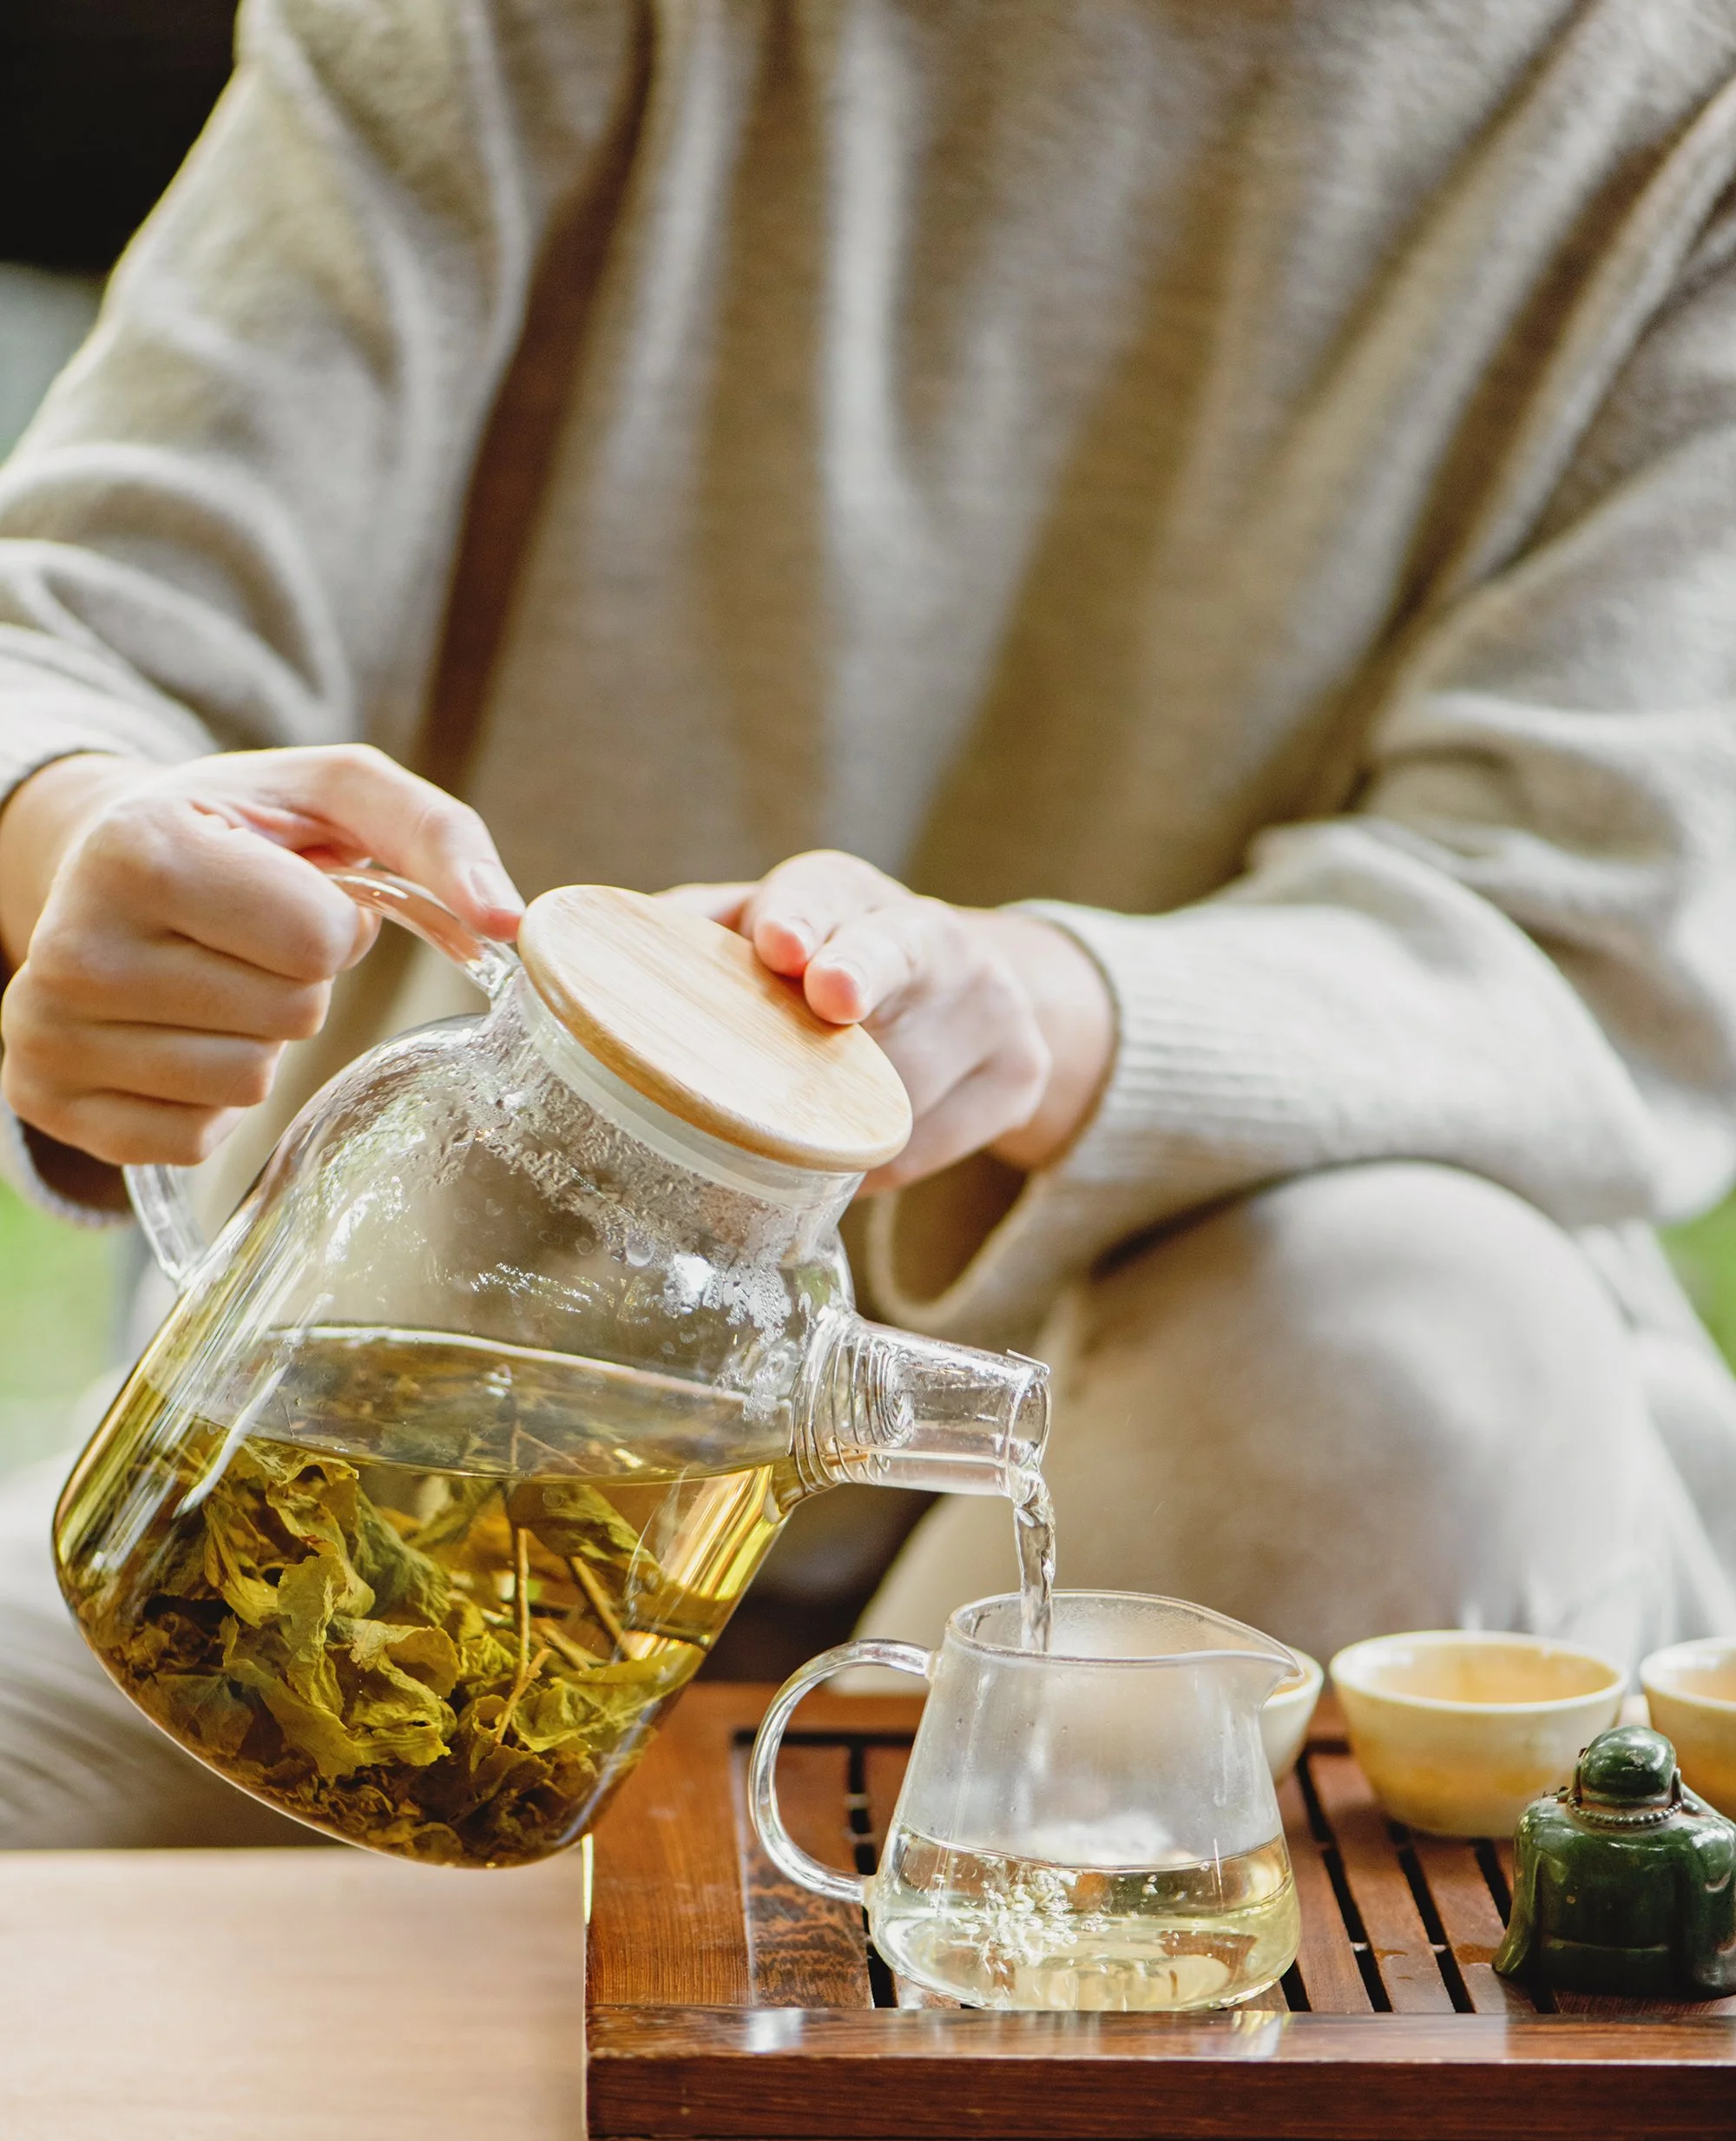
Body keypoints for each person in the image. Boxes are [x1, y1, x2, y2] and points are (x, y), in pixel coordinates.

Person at [4, 0, 1736, 1847]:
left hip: (1274, 1455)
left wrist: (1042, 1016)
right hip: (427, 1467)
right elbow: (70, 630)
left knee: (1398, 1336)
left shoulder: (1668, 120)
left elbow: (1584, 933)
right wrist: (79, 829)